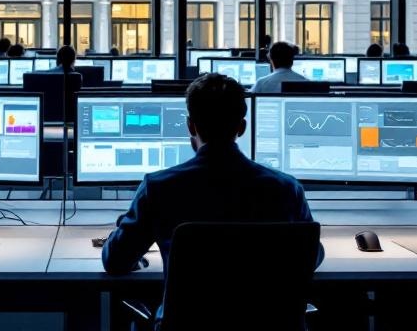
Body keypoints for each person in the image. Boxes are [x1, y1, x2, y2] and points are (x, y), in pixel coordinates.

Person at [102, 74, 321, 320]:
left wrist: (125, 224)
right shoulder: (286, 189)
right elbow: (311, 255)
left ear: (190, 126)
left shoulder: (159, 188)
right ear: (242, 127)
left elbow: (115, 261)